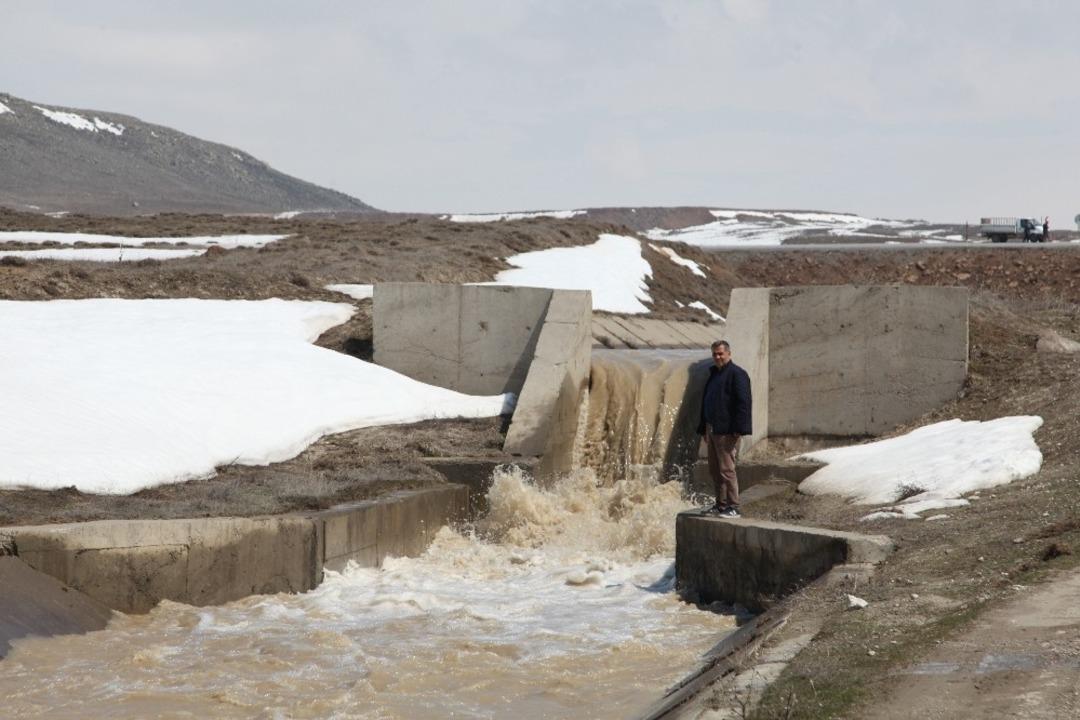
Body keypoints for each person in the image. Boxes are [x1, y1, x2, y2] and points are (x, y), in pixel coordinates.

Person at [697, 340, 752, 517]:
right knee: (715, 470)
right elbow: (708, 402)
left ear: (728, 353)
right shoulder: (714, 374)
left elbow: (743, 403)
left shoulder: (738, 374)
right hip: (712, 429)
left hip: (727, 430)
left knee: (727, 470)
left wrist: (739, 429)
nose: (717, 357)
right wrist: (704, 428)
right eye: (714, 354)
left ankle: (734, 506)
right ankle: (721, 505)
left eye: (720, 353)